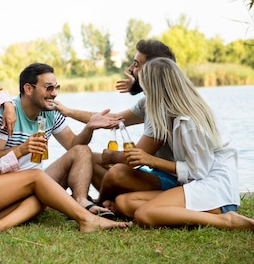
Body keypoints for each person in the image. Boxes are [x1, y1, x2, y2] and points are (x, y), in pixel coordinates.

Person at [0, 67, 129, 234]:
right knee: (36, 177)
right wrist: (21, 150)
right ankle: (87, 219)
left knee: (43, 193)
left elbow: (4, 95)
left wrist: (7, 102)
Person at [113, 58, 254, 235]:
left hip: (213, 188)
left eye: (146, 88)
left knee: (144, 214)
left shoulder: (189, 122)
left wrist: (152, 160)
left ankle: (224, 219)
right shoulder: (173, 111)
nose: (145, 95)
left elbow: (198, 172)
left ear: (156, 91)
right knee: (123, 203)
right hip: (195, 183)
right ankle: (187, 211)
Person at [0, 63, 121, 219]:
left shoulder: (50, 112)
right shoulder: (6, 113)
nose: (54, 94)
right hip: (10, 187)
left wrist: (89, 127)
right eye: (48, 88)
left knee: (82, 150)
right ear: (28, 89)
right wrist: (23, 149)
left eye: (56, 88)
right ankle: (47, 204)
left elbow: (74, 146)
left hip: (39, 182)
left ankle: (81, 201)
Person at [58, 40, 178, 205]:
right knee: (88, 158)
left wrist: (112, 156)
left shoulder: (163, 106)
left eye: (136, 65)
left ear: (153, 69)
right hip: (157, 174)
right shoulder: (149, 101)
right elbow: (113, 119)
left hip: (174, 181)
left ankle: (100, 203)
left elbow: (135, 158)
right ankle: (98, 202)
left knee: (118, 172)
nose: (130, 69)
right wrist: (68, 112)